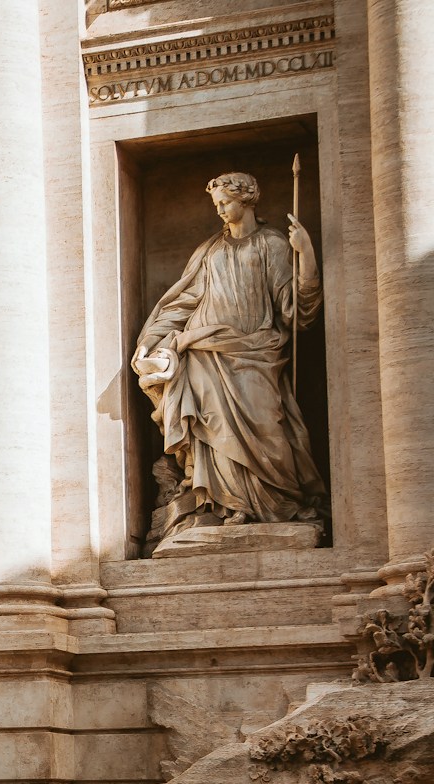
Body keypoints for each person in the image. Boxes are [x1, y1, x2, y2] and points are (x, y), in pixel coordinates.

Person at [132, 171, 325, 538]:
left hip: (257, 351)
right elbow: (182, 302)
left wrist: (307, 255)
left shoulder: (273, 245)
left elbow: (297, 310)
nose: (220, 210)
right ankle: (226, 506)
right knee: (213, 430)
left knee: (268, 428)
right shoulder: (210, 251)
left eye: (226, 202)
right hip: (205, 352)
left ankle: (274, 506)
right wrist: (150, 340)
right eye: (216, 204)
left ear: (248, 199)